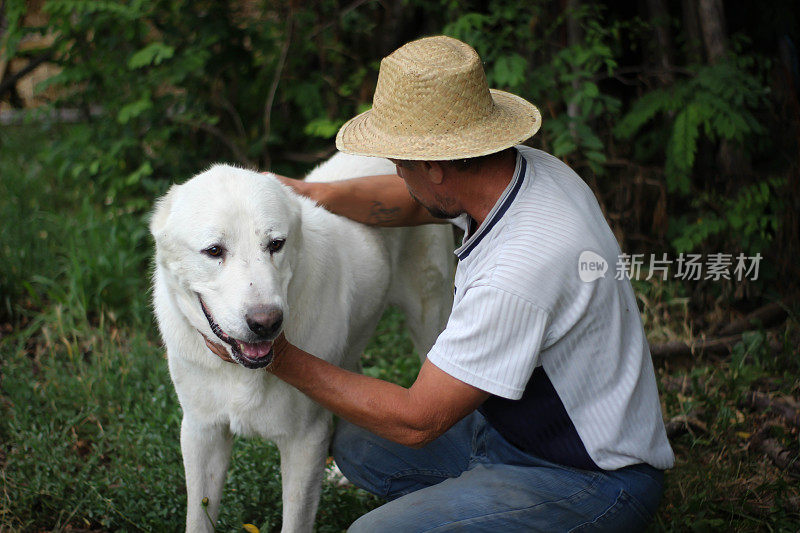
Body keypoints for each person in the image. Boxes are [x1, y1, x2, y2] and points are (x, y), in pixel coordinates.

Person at [211, 35, 675, 531]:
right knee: (354, 442)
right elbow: (414, 199)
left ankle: (515, 507)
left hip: (589, 476)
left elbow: (418, 420)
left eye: (400, 162)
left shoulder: (519, 268)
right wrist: (309, 194)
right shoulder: (524, 175)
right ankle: (480, 498)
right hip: (510, 427)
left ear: (435, 166)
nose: (396, 171)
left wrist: (275, 354)